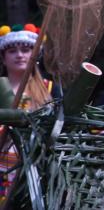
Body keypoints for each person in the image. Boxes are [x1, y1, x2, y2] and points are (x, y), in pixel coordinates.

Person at [0, 23, 56, 204]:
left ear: (35, 55)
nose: (19, 55)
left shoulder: (50, 89)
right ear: (3, 58)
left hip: (38, 171)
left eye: (25, 50)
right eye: (12, 51)